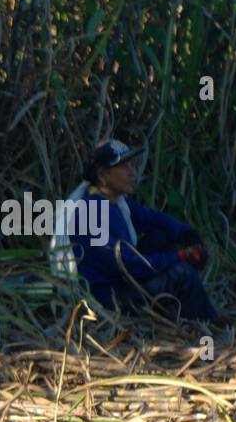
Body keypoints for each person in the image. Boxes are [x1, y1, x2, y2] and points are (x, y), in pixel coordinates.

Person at [63, 138, 219, 323]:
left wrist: (187, 233)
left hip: (121, 278)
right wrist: (180, 257)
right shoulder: (93, 214)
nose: (133, 172)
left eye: (133, 165)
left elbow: (154, 219)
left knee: (163, 235)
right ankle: (205, 326)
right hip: (108, 299)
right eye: (124, 167)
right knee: (182, 275)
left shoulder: (116, 201)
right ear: (103, 175)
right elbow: (129, 265)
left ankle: (179, 310)